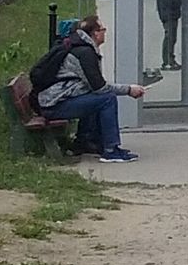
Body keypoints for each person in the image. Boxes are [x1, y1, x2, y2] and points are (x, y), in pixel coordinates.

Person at [35, 15, 145, 163]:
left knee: (97, 98)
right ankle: (111, 150)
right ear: (95, 33)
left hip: (52, 102)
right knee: (107, 99)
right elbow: (100, 87)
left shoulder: (80, 48)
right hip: (54, 105)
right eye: (103, 29)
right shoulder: (85, 53)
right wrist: (129, 90)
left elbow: (94, 87)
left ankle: (85, 142)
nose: (105, 32)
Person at [155, 0, 182, 70]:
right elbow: (171, 1)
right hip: (171, 14)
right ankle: (168, 61)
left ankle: (168, 60)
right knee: (171, 37)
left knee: (169, 37)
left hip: (164, 14)